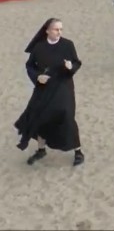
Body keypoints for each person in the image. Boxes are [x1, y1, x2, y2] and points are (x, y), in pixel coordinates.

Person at [14, 18, 85, 166]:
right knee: (40, 115)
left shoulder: (67, 45)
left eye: (61, 29)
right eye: (56, 29)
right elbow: (30, 66)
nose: (59, 32)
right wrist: (37, 77)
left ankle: (78, 151)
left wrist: (70, 67)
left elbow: (77, 63)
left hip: (63, 86)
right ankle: (41, 150)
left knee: (66, 115)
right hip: (44, 87)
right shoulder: (39, 47)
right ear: (47, 30)